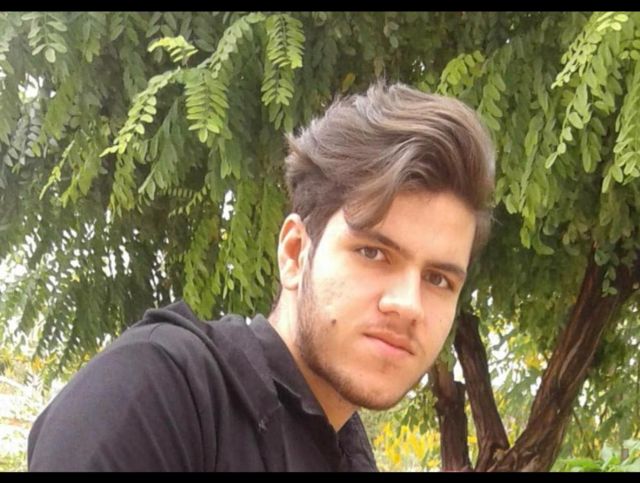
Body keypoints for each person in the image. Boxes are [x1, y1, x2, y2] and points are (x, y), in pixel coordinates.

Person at [28, 81, 495, 472]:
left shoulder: (348, 452)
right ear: (294, 253)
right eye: (373, 252)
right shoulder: (162, 392)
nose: (408, 304)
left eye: (439, 279)